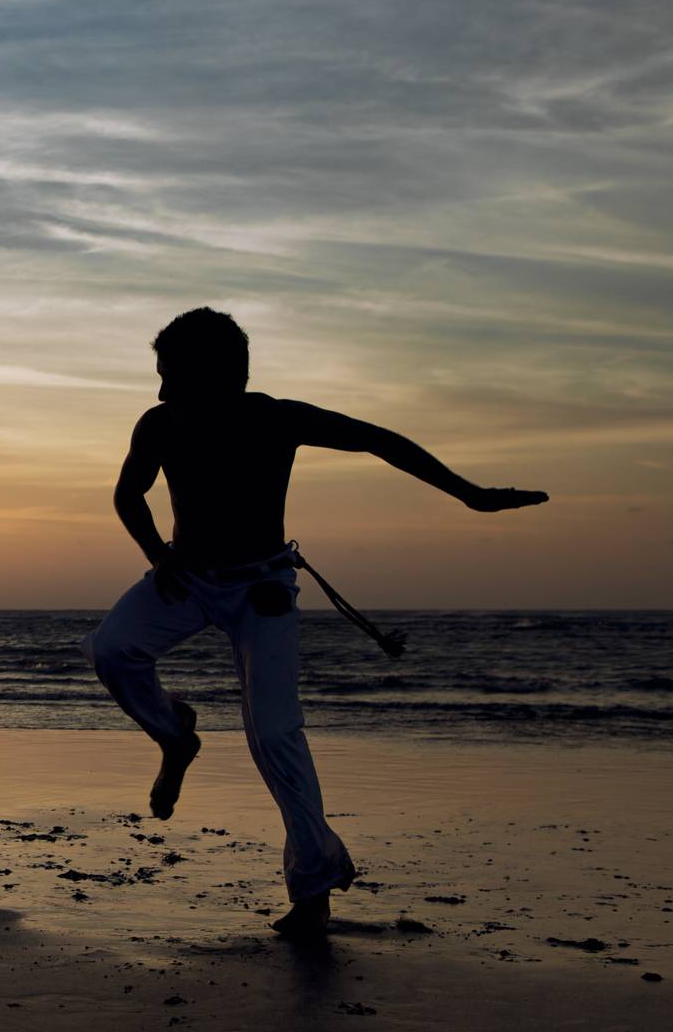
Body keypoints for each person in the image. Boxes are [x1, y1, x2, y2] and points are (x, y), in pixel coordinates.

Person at [82, 308, 547, 940]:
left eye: (171, 376)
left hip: (262, 589)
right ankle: (175, 734)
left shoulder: (278, 418)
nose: (161, 390)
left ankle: (312, 890)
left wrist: (470, 494)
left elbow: (380, 440)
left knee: (275, 736)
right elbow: (127, 494)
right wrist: (157, 555)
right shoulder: (159, 424)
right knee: (112, 650)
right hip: (185, 578)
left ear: (216, 375)